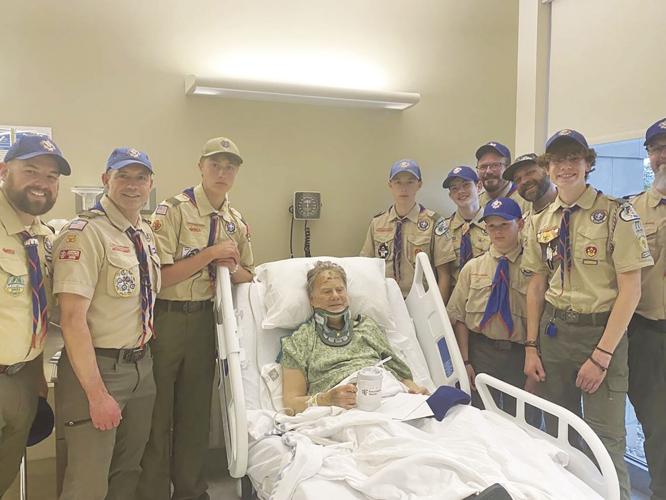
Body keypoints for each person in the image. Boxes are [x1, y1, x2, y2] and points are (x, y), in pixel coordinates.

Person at [522, 129, 653, 500]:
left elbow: (632, 289)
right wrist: (531, 346)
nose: (565, 167)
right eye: (558, 160)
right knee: (559, 434)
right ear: (548, 167)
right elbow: (535, 286)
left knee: (606, 441)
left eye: (573, 158)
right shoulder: (541, 220)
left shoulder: (616, 213)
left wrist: (602, 355)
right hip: (554, 333)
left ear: (588, 163)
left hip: (601, 336)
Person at [138, 137, 254, 500]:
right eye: (215, 165)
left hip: (207, 321)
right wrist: (210, 255)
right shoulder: (173, 211)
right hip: (167, 320)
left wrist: (231, 267)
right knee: (157, 416)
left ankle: (189, 490)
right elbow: (159, 278)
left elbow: (250, 273)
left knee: (195, 414)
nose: (222, 173)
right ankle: (154, 492)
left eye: (230, 167)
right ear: (200, 167)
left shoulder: (235, 222)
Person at [53, 147, 160, 500]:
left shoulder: (142, 232)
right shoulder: (84, 233)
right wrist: (97, 395)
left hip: (140, 366)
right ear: (105, 180)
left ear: (150, 184)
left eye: (140, 177)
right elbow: (72, 319)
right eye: (122, 176)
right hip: (99, 368)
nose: (132, 185)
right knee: (88, 480)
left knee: (128, 470)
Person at [0, 134, 70, 495]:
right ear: (3, 170)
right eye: (31, 171)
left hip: (24, 380)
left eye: (52, 176)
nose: (42, 183)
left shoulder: (42, 237)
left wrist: (37, 371)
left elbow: (34, 308)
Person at [281, 261, 428, 414]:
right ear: (311, 299)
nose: (335, 296)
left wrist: (416, 392)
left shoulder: (367, 327)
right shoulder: (300, 341)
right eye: (326, 291)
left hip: (388, 395)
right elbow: (291, 404)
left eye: (340, 290)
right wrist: (326, 399)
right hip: (343, 409)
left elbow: (400, 375)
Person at [447, 198, 528, 412]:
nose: (498, 231)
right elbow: (459, 319)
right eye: (492, 226)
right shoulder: (472, 268)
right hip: (481, 353)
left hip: (519, 356)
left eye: (505, 225)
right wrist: (465, 362)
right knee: (481, 418)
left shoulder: (533, 269)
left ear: (519, 224)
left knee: (521, 422)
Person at [627, 117, 666, 500]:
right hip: (650, 334)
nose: (663, 156)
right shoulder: (633, 211)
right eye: (657, 149)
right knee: (656, 424)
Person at [360, 159, 456, 299]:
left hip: (422, 301)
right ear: (390, 185)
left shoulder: (434, 222)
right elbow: (366, 267)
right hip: (386, 299)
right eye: (398, 182)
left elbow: (444, 275)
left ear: (419, 184)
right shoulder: (377, 223)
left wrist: (438, 312)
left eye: (410, 182)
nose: (403, 188)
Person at [439, 166, 491, 300]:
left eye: (466, 185)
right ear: (450, 195)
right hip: (455, 303)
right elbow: (442, 274)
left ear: (479, 186)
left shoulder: (495, 224)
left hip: (487, 301)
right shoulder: (443, 230)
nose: (460, 191)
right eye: (454, 188)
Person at [475, 141, 530, 214]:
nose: (488, 171)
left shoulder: (526, 200)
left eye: (495, 165)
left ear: (507, 168)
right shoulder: (476, 204)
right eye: (483, 167)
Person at [502, 153, 557, 218]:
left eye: (529, 173)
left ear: (546, 170)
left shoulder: (568, 209)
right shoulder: (524, 223)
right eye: (518, 179)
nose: (524, 181)